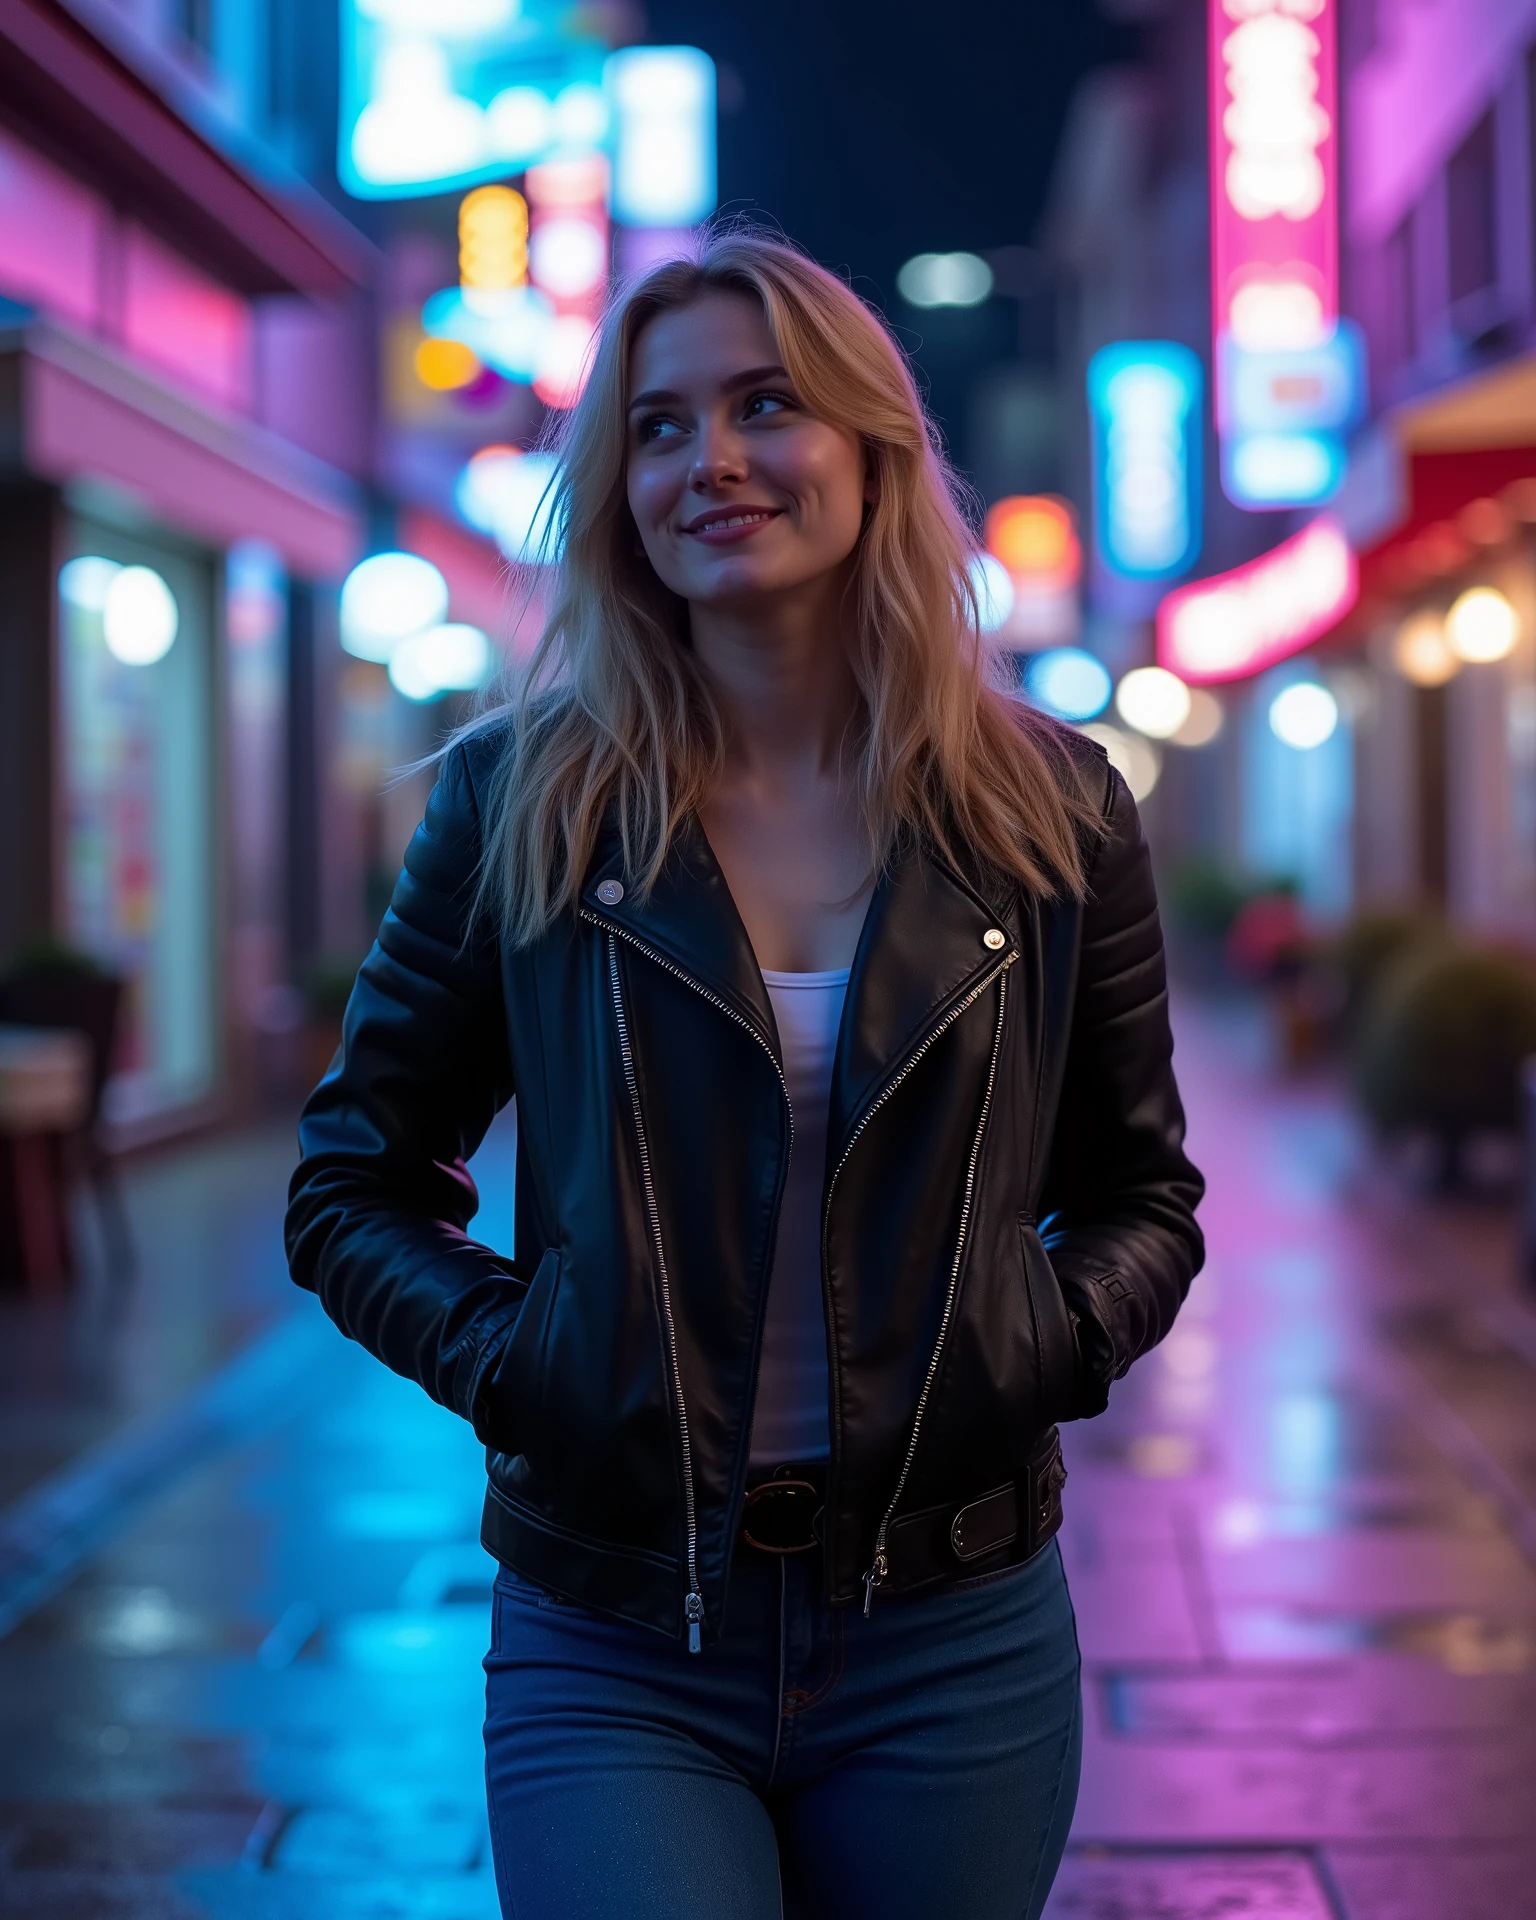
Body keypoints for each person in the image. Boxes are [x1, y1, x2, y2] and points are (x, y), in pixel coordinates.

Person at [286, 228, 1204, 1920]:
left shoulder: (1051, 811)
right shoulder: (521, 801)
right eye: (655, 424)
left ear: (871, 448)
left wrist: (1050, 1342)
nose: (706, 459)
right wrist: (523, 1362)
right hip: (619, 1621)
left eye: (764, 405)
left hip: (956, 1622)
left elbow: (1143, 1190)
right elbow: (352, 1180)